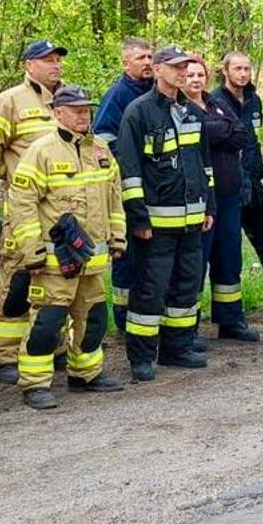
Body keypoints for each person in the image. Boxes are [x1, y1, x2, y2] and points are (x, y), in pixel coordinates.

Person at [3, 85, 127, 409]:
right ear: (58, 113)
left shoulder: (100, 149)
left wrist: (118, 237)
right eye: (76, 110)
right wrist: (31, 250)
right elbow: (21, 202)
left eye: (86, 109)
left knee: (95, 319)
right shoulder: (41, 150)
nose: (83, 115)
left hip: (93, 262)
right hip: (54, 263)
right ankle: (35, 384)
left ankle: (86, 373)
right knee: (47, 323)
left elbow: (114, 198)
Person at [115, 46, 212, 380]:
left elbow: (204, 164)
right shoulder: (138, 113)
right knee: (150, 290)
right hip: (155, 224)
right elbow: (129, 170)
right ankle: (141, 357)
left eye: (186, 66)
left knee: (186, 288)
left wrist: (208, 205)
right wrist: (138, 218)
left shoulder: (194, 113)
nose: (183, 72)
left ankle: (177, 347)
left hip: (192, 220)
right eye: (176, 67)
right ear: (157, 70)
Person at [0, 40, 66, 385]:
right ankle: (6, 355)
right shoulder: (11, 100)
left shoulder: (70, 99)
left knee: (58, 281)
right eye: (47, 60)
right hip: (25, 212)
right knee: (16, 282)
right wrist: (6, 175)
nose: (55, 65)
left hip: (64, 213)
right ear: (29, 65)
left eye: (58, 60)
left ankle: (53, 347)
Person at [186, 56, 259, 342]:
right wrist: (218, 130)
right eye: (190, 75)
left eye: (199, 74)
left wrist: (215, 130)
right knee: (196, 262)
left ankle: (230, 320)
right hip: (202, 198)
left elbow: (241, 134)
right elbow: (200, 135)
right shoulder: (180, 108)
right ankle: (187, 328)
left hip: (229, 195)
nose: (195, 79)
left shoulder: (216, 103)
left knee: (229, 258)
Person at [211, 52, 263, 316]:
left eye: (247, 69)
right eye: (238, 69)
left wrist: (261, 177)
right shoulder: (215, 102)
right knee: (228, 250)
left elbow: (253, 144)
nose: (243, 74)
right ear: (225, 71)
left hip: (256, 183)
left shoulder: (254, 101)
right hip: (230, 186)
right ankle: (228, 313)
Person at [91, 38, 154, 337]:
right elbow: (102, 138)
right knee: (127, 255)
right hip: (126, 186)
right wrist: (130, 161)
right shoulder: (118, 96)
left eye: (150, 56)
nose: (147, 62)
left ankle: (144, 312)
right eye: (140, 57)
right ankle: (123, 316)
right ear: (125, 63)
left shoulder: (156, 93)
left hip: (154, 188)